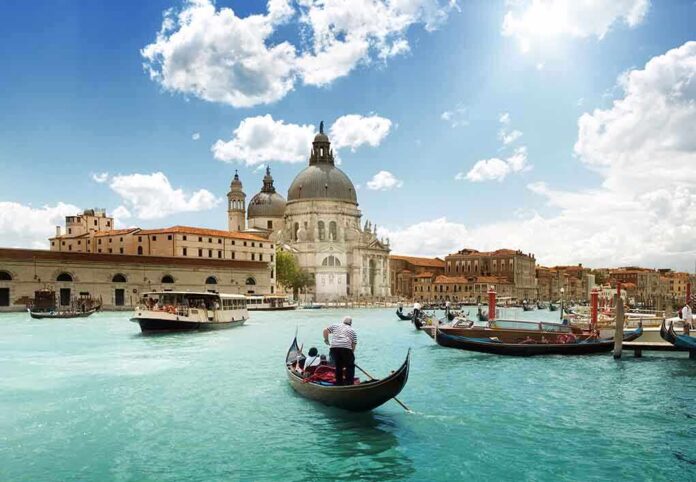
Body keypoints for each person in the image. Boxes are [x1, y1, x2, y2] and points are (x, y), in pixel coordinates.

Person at [323, 316, 357, 386]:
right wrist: (350, 356)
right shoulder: (352, 331)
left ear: (343, 321)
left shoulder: (335, 326)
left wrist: (326, 340)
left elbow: (325, 331)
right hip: (346, 348)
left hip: (334, 348)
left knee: (338, 366)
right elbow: (353, 344)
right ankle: (349, 383)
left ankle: (339, 383)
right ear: (351, 323)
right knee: (350, 366)